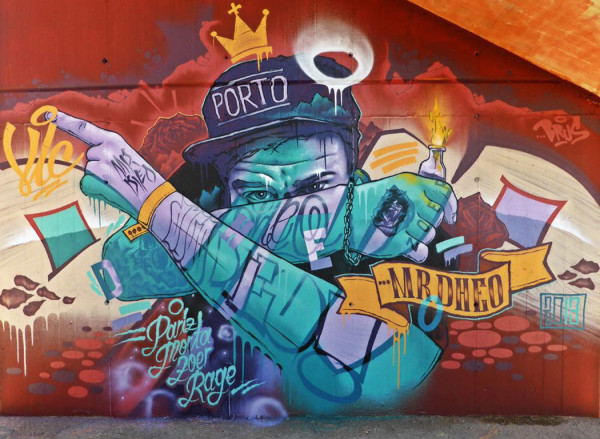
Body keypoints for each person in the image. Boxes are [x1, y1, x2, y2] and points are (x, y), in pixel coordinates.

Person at [51, 55, 457, 412]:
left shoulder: (403, 250)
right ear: (222, 194)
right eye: (258, 194)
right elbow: (121, 266)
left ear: (357, 180)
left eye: (317, 188)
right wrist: (344, 216)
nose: (287, 205)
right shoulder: (197, 228)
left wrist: (156, 203)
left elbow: (396, 372)